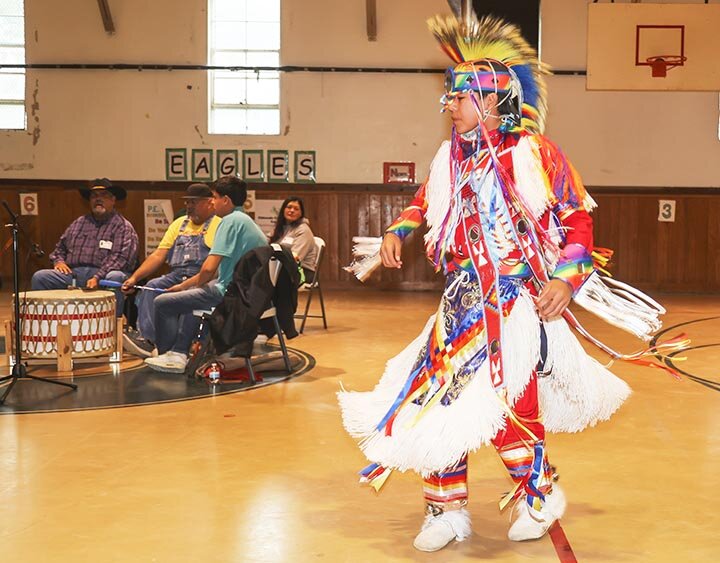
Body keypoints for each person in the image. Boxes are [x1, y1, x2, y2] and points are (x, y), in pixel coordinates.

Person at [338, 13, 667, 553]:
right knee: (439, 398)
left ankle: (538, 498)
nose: (450, 106)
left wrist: (566, 277)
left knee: (510, 401)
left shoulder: (535, 154)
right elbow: (425, 201)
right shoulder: (451, 157)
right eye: (449, 98)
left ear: (493, 102)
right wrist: (397, 230)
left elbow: (577, 219)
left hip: (516, 299)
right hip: (461, 300)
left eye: (459, 98)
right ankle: (446, 511)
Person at [144, 176, 268, 373]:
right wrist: (183, 286)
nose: (212, 201)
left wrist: (192, 286)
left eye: (215, 198)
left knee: (162, 302)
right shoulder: (244, 220)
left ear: (226, 200)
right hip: (248, 292)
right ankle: (180, 350)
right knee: (186, 296)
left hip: (229, 294)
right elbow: (216, 270)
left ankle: (172, 355)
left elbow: (209, 269)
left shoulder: (229, 222)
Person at [121, 183, 222, 357]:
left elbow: (214, 268)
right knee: (152, 286)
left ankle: (182, 346)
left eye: (194, 202)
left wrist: (189, 284)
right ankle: (149, 340)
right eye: (188, 202)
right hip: (176, 275)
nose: (189, 207)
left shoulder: (219, 225)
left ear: (209, 203)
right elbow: (158, 256)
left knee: (189, 294)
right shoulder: (179, 224)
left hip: (202, 277)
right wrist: (135, 278)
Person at [31, 178, 138, 317]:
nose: (98, 199)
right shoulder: (79, 223)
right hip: (74, 275)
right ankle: (45, 324)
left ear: (113, 200)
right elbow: (59, 248)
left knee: (114, 277)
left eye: (104, 195)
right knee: (40, 277)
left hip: (105, 275)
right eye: (94, 196)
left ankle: (111, 326)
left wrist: (97, 277)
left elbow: (120, 259)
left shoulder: (123, 226)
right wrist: (59, 261)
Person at [269, 197, 317, 283]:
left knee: (267, 280)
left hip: (302, 271)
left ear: (301, 213)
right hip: (280, 267)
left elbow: (295, 258)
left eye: (296, 209)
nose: (291, 210)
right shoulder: (280, 228)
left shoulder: (304, 231)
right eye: (289, 207)